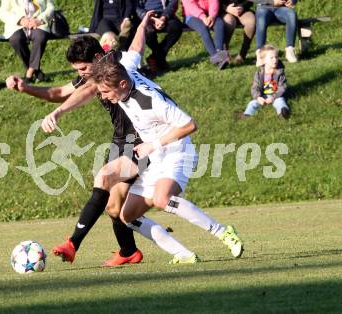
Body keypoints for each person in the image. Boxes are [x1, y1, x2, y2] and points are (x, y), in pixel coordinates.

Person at [9, 12, 196, 266]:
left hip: (141, 141)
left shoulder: (113, 63)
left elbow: (87, 89)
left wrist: (59, 112)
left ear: (97, 59)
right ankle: (129, 251)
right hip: (121, 140)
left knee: (105, 177)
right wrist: (26, 88)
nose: (82, 74)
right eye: (78, 70)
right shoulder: (92, 73)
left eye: (84, 68)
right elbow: (61, 91)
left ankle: (73, 243)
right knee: (114, 208)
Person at [88, 40, 245, 263]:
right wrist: (143, 24)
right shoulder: (127, 72)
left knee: (162, 199)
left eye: (105, 92)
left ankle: (223, 232)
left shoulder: (150, 101)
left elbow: (189, 124)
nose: (103, 97)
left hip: (176, 151)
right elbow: (135, 51)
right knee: (127, 215)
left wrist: (153, 144)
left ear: (122, 84)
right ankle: (183, 254)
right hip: (155, 156)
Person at [0, 0, 55, 83]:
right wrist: (19, 20)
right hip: (16, 25)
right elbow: (2, 12)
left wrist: (40, 19)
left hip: (38, 23)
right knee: (16, 39)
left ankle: (29, 73)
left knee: (40, 37)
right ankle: (37, 72)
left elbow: (51, 7)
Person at [238, 44, 290, 119]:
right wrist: (258, 97)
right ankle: (247, 114)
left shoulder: (279, 72)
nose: (275, 60)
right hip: (263, 95)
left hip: (276, 95)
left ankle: (283, 112)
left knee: (280, 102)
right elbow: (255, 88)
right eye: (271, 58)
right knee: (252, 103)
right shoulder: (259, 74)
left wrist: (273, 97)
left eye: (276, 57)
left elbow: (282, 87)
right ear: (264, 60)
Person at [135, 0, 184, 75]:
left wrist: (163, 17)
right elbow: (136, 7)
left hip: (164, 14)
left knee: (176, 28)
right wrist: (150, 18)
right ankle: (160, 59)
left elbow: (173, 2)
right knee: (149, 33)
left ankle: (155, 58)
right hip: (146, 16)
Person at [182, 0, 229, 70]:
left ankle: (219, 54)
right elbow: (190, 5)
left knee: (220, 24)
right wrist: (203, 17)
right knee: (204, 29)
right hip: (191, 16)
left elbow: (214, 1)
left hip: (210, 14)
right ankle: (216, 58)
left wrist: (212, 16)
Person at [255, 0, 298, 65]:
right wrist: (272, 2)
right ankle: (260, 54)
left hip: (282, 9)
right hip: (264, 8)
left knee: (291, 14)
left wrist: (292, 1)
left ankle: (290, 50)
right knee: (261, 20)